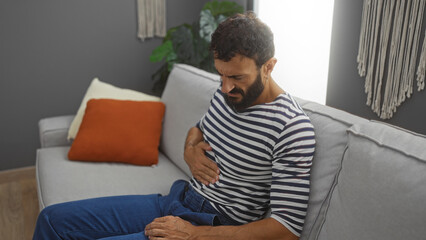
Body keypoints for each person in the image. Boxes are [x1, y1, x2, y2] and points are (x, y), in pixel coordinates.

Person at [33, 12, 315, 240]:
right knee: (52, 220)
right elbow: (199, 128)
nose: (226, 87)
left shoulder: (291, 127)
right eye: (221, 75)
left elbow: (285, 228)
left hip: (214, 226)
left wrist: (195, 234)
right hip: (178, 199)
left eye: (237, 78)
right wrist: (189, 149)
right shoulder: (226, 93)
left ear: (269, 66)